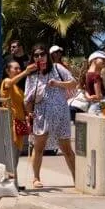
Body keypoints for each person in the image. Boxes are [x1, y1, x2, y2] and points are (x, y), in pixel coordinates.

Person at [24, 45, 76, 188]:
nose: (39, 57)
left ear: (47, 55)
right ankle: (36, 178)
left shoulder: (58, 68)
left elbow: (73, 83)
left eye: (42, 54)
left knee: (66, 148)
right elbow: (27, 99)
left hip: (61, 115)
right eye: (36, 55)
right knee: (39, 147)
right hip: (41, 115)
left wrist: (57, 83)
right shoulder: (32, 75)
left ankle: (78, 178)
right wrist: (29, 113)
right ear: (33, 58)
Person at [0, 59, 35, 167]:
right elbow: (10, 83)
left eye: (19, 68)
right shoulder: (6, 81)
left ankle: (13, 179)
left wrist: (28, 115)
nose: (18, 70)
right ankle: (11, 179)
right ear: (7, 70)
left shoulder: (18, 88)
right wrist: (25, 72)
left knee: (16, 153)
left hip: (19, 123)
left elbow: (23, 104)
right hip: (10, 122)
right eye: (15, 68)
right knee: (12, 152)